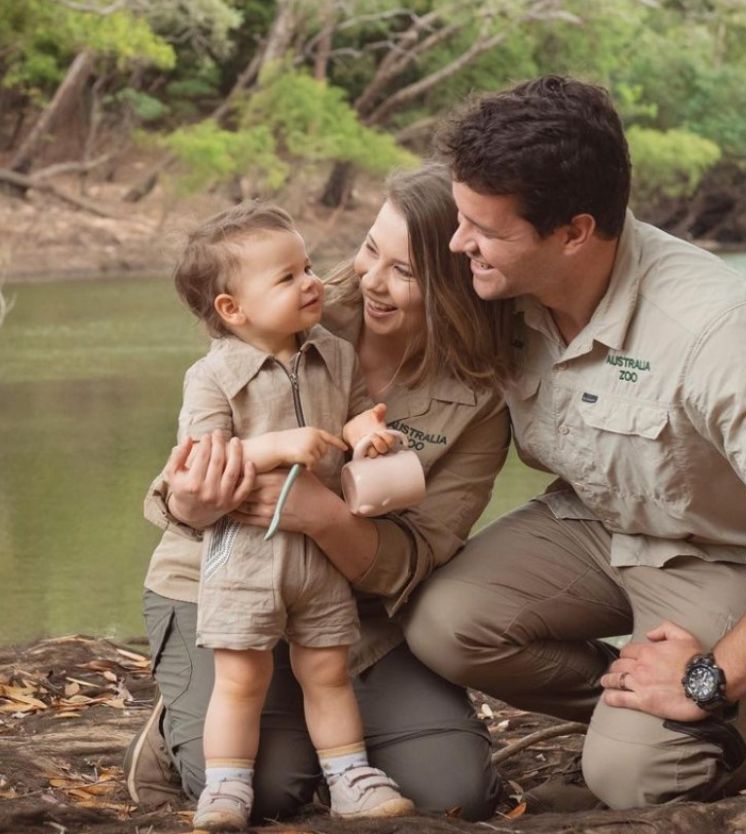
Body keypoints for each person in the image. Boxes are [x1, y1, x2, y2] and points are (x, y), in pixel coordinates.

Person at [403, 76, 746, 810]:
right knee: (445, 626)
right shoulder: (500, 280)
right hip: (597, 522)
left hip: (719, 555)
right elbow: (357, 296)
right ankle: (648, 712)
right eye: (460, 217)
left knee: (634, 777)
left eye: (485, 230)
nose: (457, 243)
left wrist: (713, 676)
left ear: (575, 233)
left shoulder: (713, 328)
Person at [126, 163, 516, 822]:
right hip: (222, 581)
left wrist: (325, 516)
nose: (370, 280)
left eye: (404, 271)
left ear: (457, 284)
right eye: (369, 248)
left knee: (453, 791)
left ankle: (329, 743)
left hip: (348, 605)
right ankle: (187, 722)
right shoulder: (287, 304)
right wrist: (193, 500)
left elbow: (418, 554)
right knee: (267, 789)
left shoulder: (477, 394)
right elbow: (178, 483)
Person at [160, 201, 414, 830]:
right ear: (232, 309)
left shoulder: (335, 353)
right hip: (242, 552)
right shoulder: (212, 376)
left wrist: (365, 435)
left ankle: (350, 776)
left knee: (327, 669)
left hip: (318, 555)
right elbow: (199, 461)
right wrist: (277, 446)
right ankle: (225, 787)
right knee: (241, 676)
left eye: (308, 267)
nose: (311, 283)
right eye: (287, 277)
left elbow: (352, 415)